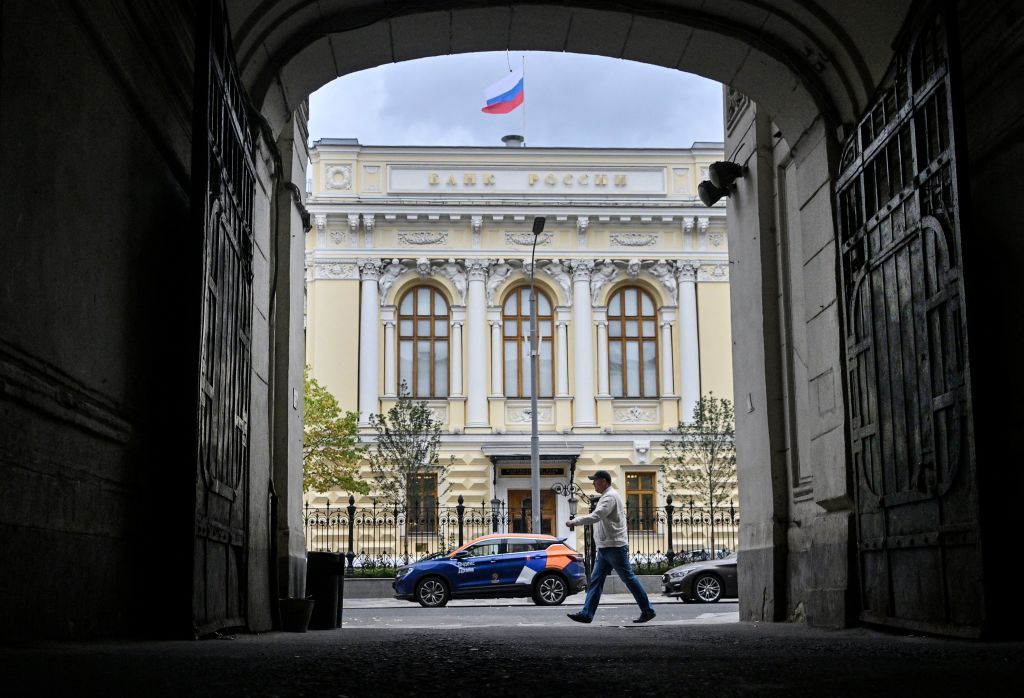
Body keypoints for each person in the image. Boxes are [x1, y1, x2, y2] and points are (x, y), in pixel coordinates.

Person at [565, 470, 656, 624]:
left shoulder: (610, 497)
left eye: (595, 480)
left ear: (604, 482)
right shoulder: (607, 497)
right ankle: (587, 614)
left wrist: (574, 522)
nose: (593, 483)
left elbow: (596, 516)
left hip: (614, 546)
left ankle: (647, 610)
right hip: (606, 547)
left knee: (628, 578)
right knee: (596, 580)